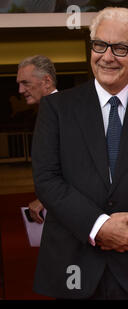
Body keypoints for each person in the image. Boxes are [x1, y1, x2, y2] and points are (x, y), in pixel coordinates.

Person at [31, 7, 128, 299]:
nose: (107, 56)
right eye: (100, 45)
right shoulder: (56, 109)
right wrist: (100, 226)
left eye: (120, 48)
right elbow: (47, 179)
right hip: (74, 268)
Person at [16, 55, 58, 224]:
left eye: (25, 83)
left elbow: (79, 165)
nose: (20, 90)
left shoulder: (65, 113)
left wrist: (45, 199)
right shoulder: (47, 111)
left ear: (46, 81)